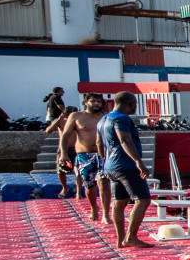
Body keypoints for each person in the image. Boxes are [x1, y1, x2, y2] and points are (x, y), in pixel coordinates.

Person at [98, 91, 152, 248]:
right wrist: (138, 162)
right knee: (143, 200)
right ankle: (131, 237)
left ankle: (120, 240)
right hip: (126, 166)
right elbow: (125, 140)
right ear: (131, 104)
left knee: (119, 202)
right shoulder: (122, 118)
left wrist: (106, 161)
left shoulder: (103, 119)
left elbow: (99, 143)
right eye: (135, 105)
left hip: (110, 166)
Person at [59, 94, 110, 221]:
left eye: (99, 101)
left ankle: (105, 214)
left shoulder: (105, 117)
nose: (96, 104)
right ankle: (94, 208)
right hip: (84, 155)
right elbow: (65, 136)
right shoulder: (76, 116)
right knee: (89, 185)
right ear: (86, 102)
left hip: (102, 154)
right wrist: (63, 153)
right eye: (93, 101)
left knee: (104, 183)